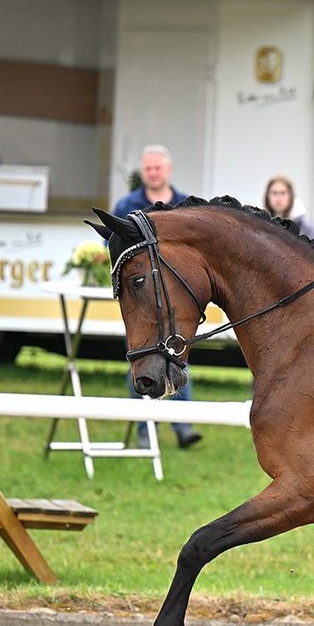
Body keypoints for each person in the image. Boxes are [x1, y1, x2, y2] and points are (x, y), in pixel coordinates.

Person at [112, 144, 202, 450]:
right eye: (148, 168)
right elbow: (113, 248)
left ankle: (182, 425)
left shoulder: (183, 205)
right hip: (141, 300)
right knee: (140, 356)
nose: (153, 173)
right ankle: (144, 429)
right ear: (143, 171)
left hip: (174, 299)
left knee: (179, 355)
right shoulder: (126, 205)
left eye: (157, 168)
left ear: (168, 170)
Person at [264, 175, 314, 240]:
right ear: (267, 196)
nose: (278, 197)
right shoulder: (262, 224)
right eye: (274, 193)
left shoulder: (307, 229)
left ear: (290, 196)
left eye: (282, 193)